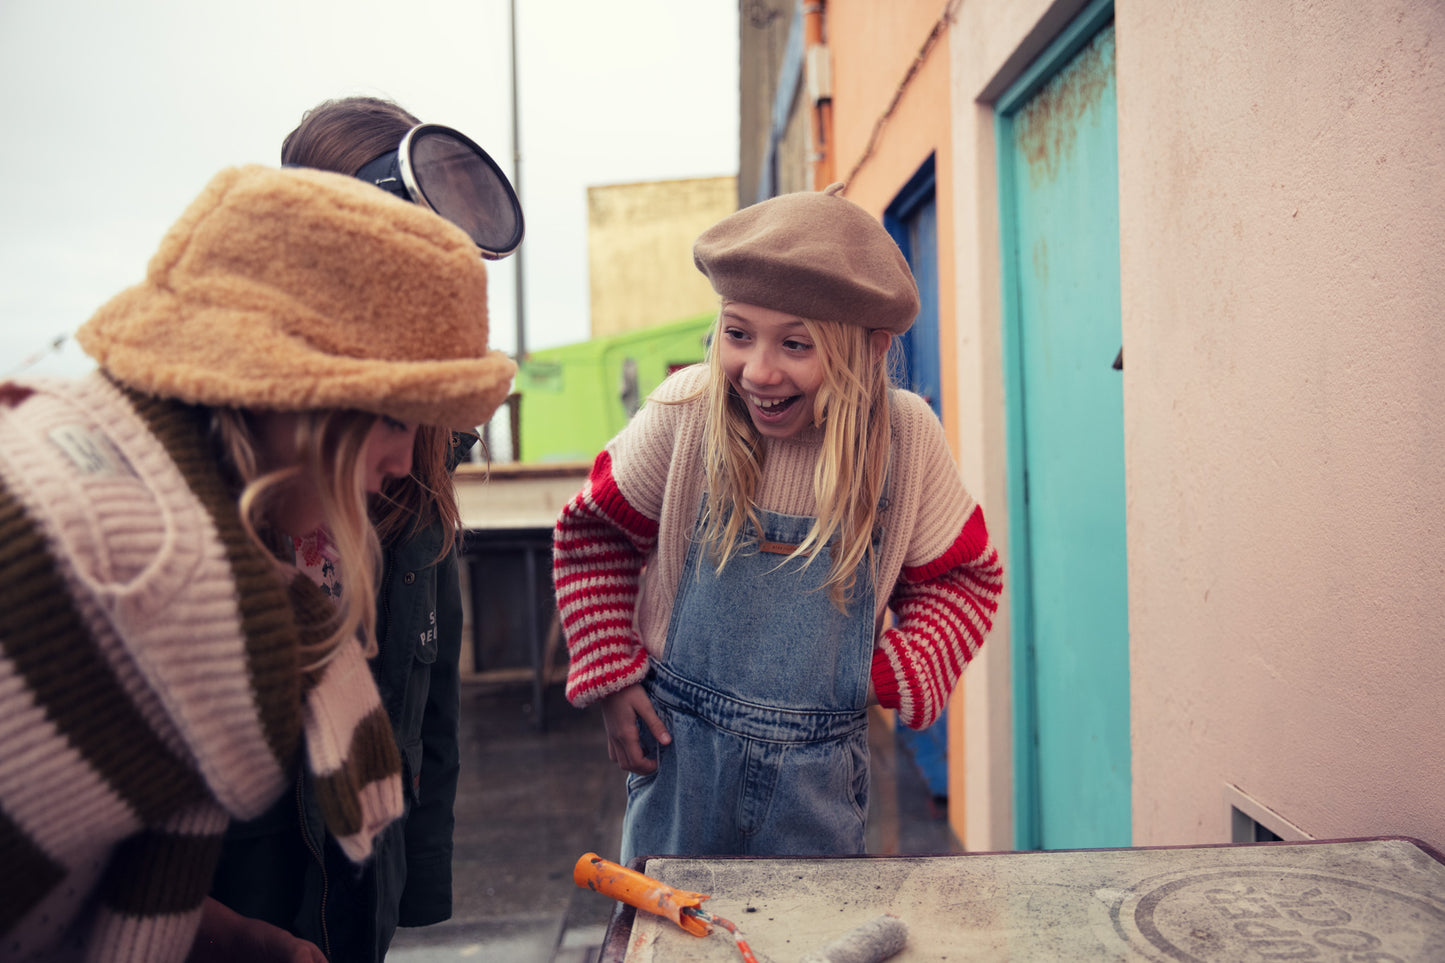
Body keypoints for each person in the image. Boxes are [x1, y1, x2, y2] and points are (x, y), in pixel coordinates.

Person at [0, 164, 515, 962]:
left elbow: (95, 864)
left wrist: (231, 937)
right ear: (288, 393)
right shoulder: (119, 571)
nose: (408, 461)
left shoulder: (199, 539)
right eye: (391, 417)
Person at [553, 184, 1004, 863]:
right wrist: (612, 675)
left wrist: (886, 674)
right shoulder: (685, 414)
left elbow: (966, 578)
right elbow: (592, 537)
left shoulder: (905, 439)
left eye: (795, 344)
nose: (758, 371)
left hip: (819, 787)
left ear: (870, 351)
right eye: (737, 334)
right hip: (679, 767)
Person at [198, 97, 523, 963]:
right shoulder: (209, 472)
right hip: (238, 898)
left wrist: (415, 882)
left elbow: (430, 692)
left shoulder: (420, 459)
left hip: (359, 897)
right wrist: (217, 931)